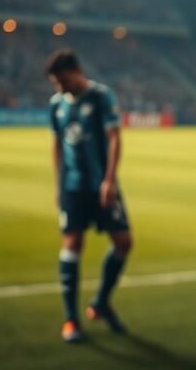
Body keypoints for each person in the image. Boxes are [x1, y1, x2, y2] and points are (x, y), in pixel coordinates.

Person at [46, 49, 132, 343]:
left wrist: (109, 180)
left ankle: (100, 302)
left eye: (63, 80)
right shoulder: (56, 105)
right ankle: (71, 319)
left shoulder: (101, 96)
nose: (60, 87)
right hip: (73, 187)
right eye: (56, 83)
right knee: (72, 243)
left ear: (76, 71)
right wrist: (58, 185)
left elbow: (115, 138)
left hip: (102, 184)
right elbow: (56, 145)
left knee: (124, 242)